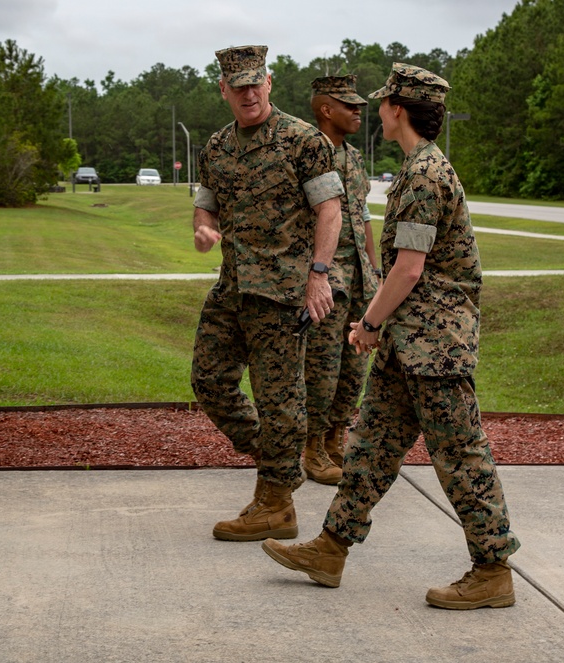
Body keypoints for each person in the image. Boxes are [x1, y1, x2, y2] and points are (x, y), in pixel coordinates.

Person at [262, 63, 521, 609]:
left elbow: (407, 269)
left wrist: (369, 323)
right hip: (412, 345)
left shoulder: (426, 175)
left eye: (381, 102)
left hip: (436, 345)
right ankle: (330, 548)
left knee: (461, 457)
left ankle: (493, 569)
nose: (374, 109)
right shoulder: (416, 168)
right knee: (373, 448)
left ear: (397, 110)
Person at [190, 45, 344, 542]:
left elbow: (330, 211)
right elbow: (206, 207)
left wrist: (318, 275)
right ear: (224, 90)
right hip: (233, 287)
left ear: (270, 83)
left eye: (256, 84)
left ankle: (275, 503)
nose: (249, 93)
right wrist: (204, 230)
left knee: (281, 399)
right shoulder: (215, 148)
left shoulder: (304, 140)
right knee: (209, 380)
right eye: (239, 87)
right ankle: (278, 457)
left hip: (283, 295)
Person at [301, 75, 380, 485]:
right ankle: (312, 449)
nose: (358, 112)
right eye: (349, 105)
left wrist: (374, 266)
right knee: (322, 370)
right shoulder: (304, 151)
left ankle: (334, 441)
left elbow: (363, 215)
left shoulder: (352, 156)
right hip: (327, 282)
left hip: (360, 280)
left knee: (353, 370)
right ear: (325, 109)